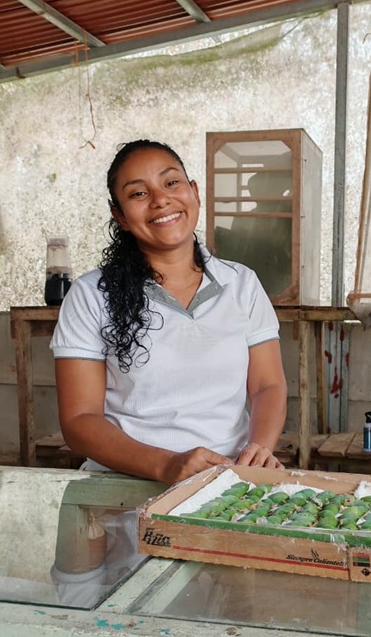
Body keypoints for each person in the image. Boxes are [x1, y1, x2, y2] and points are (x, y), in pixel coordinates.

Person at [50, 139, 287, 485]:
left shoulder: (242, 284)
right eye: (138, 194)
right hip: (123, 488)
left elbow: (268, 384)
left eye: (171, 182)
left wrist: (258, 450)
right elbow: (79, 419)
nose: (161, 199)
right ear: (120, 216)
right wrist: (166, 465)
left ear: (194, 192)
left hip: (228, 482)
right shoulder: (91, 295)